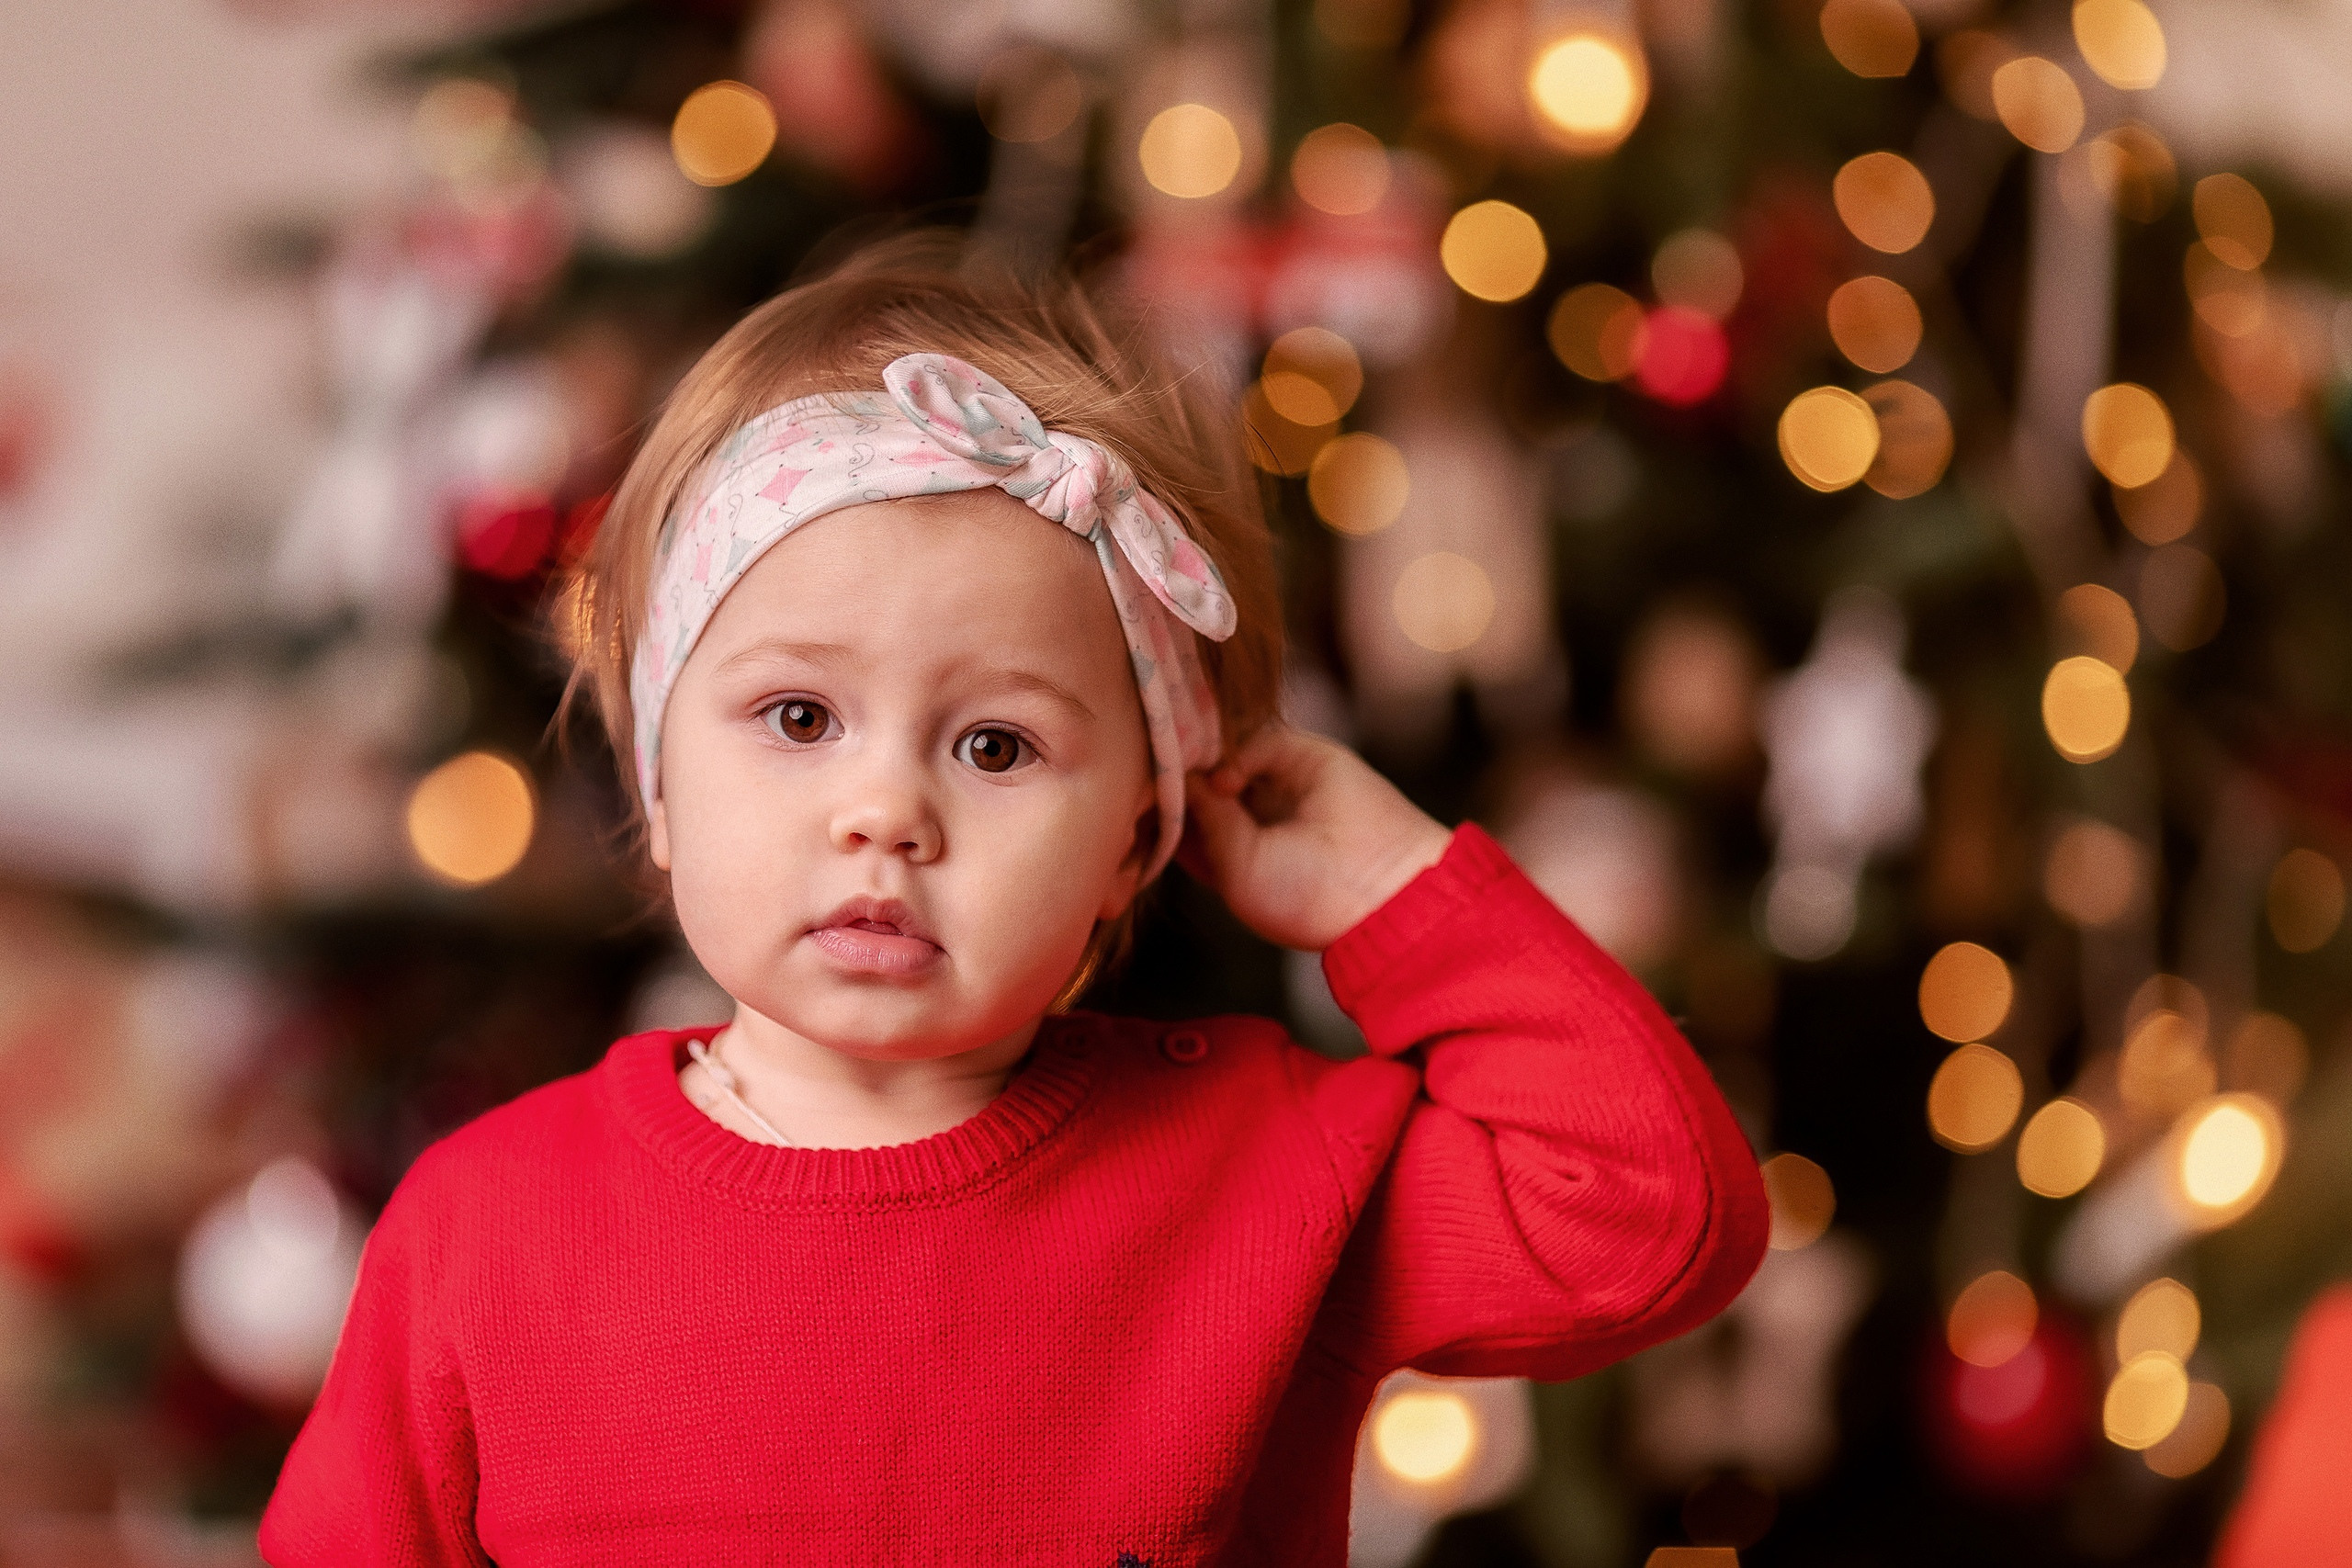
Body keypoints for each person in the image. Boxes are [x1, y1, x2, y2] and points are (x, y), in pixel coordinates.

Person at [257, 232, 1769, 1565]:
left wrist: (1390, 890)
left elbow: (1653, 1220)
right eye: (798, 717)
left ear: (1135, 837)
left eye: (996, 746)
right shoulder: (486, 1229)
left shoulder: (1263, 1169)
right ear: (660, 780)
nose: (885, 813)